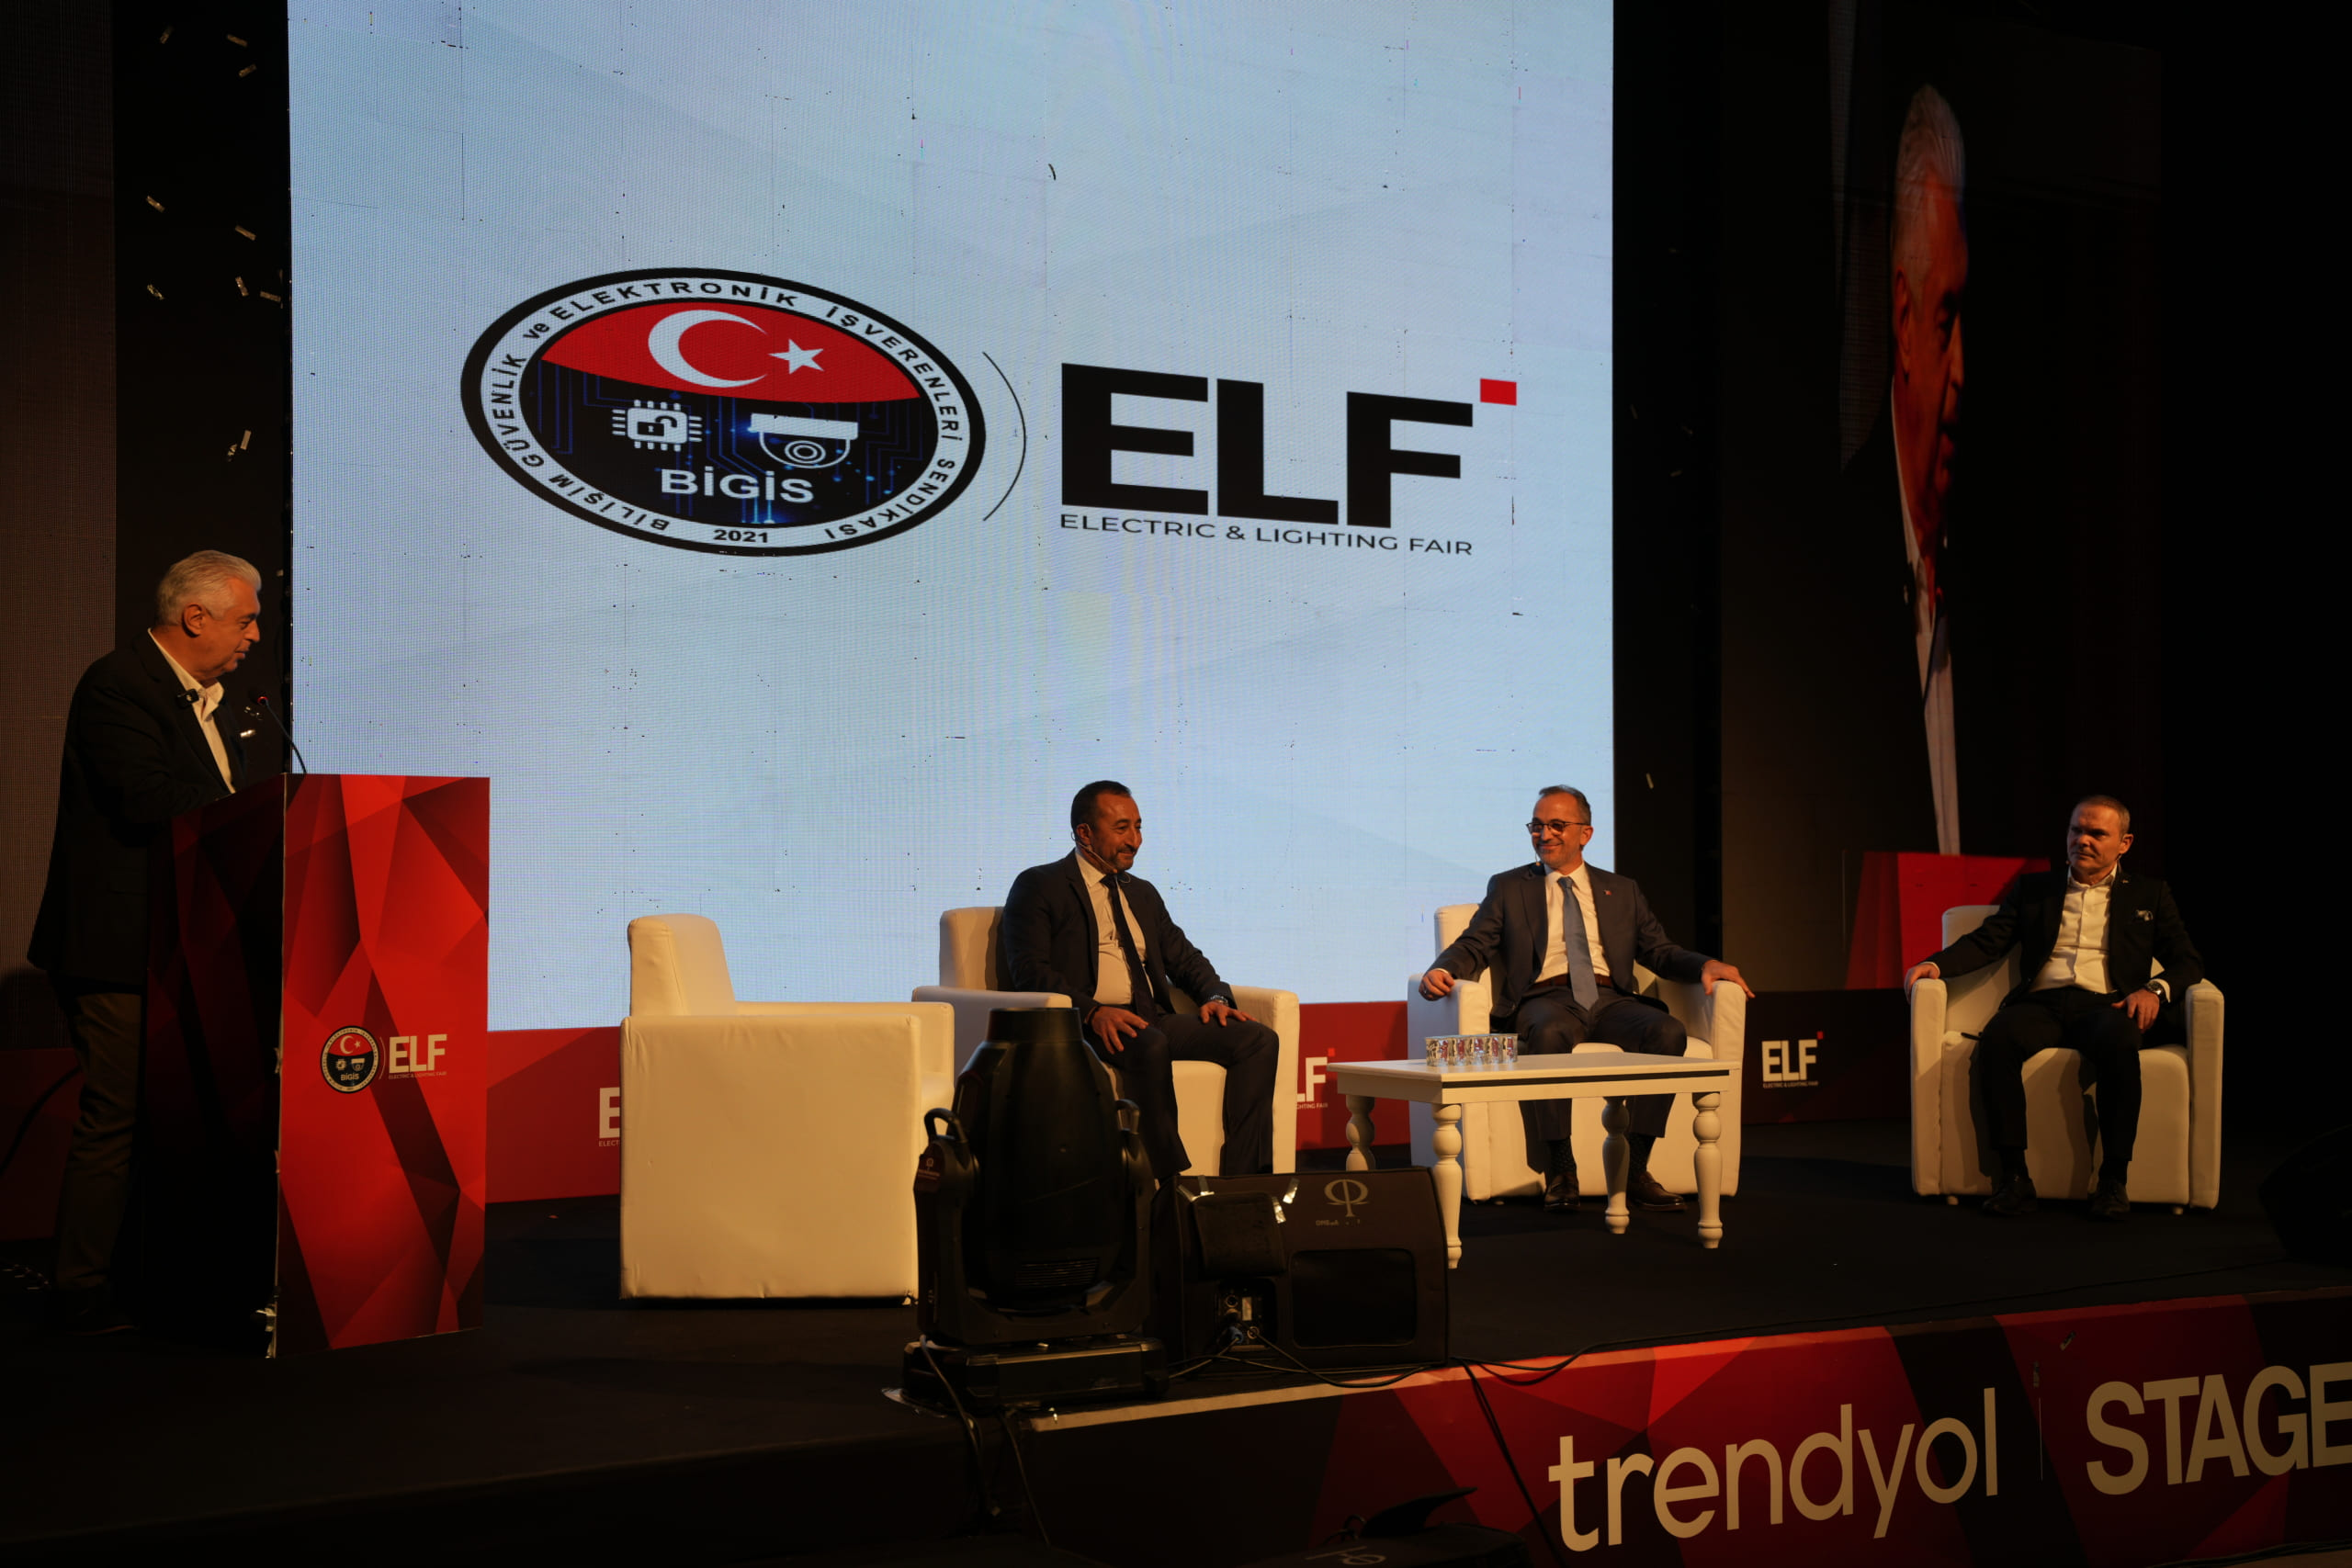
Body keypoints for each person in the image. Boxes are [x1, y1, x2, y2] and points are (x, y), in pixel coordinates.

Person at [28, 550, 262, 1332]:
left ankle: (158, 1274)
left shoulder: (214, 702)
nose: (254, 636)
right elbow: (145, 796)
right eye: (245, 619)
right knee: (118, 1111)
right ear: (195, 616)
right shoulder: (119, 684)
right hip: (116, 946)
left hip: (185, 944)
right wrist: (260, 814)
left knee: (178, 1115)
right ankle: (79, 1289)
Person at [1419, 786, 1752, 1213]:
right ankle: (1562, 1169)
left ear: (1585, 833)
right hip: (1546, 997)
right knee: (1550, 1030)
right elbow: (1475, 943)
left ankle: (1636, 1168)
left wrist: (1704, 964)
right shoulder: (1509, 887)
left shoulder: (1621, 890)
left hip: (1611, 998)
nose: (1544, 835)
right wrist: (1443, 968)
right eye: (1537, 825)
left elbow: (1658, 951)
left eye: (1557, 825)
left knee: (1667, 1032)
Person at [1904, 795, 2201, 1221]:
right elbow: (1989, 940)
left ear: (2124, 843)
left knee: (2120, 1044)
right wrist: (1936, 964)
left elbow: (2187, 962)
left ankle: (2113, 1181)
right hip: (2041, 1003)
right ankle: (2014, 1177)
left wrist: (2154, 990)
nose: (2083, 840)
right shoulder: (2034, 889)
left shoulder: (2150, 894)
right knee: (1998, 1040)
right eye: (2076, 830)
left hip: (2107, 1004)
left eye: (2097, 833)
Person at [1000, 781, 1279, 1182]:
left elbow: (1185, 958)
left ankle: (1243, 1183)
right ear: (1084, 833)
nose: (1135, 840)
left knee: (1257, 1039)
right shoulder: (1040, 885)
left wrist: (1215, 997)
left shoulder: (1142, 893)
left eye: (1138, 827)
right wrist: (1092, 1011)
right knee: (1150, 1043)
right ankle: (1167, 1183)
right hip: (1087, 1024)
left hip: (1150, 1017)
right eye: (1122, 828)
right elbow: (1029, 970)